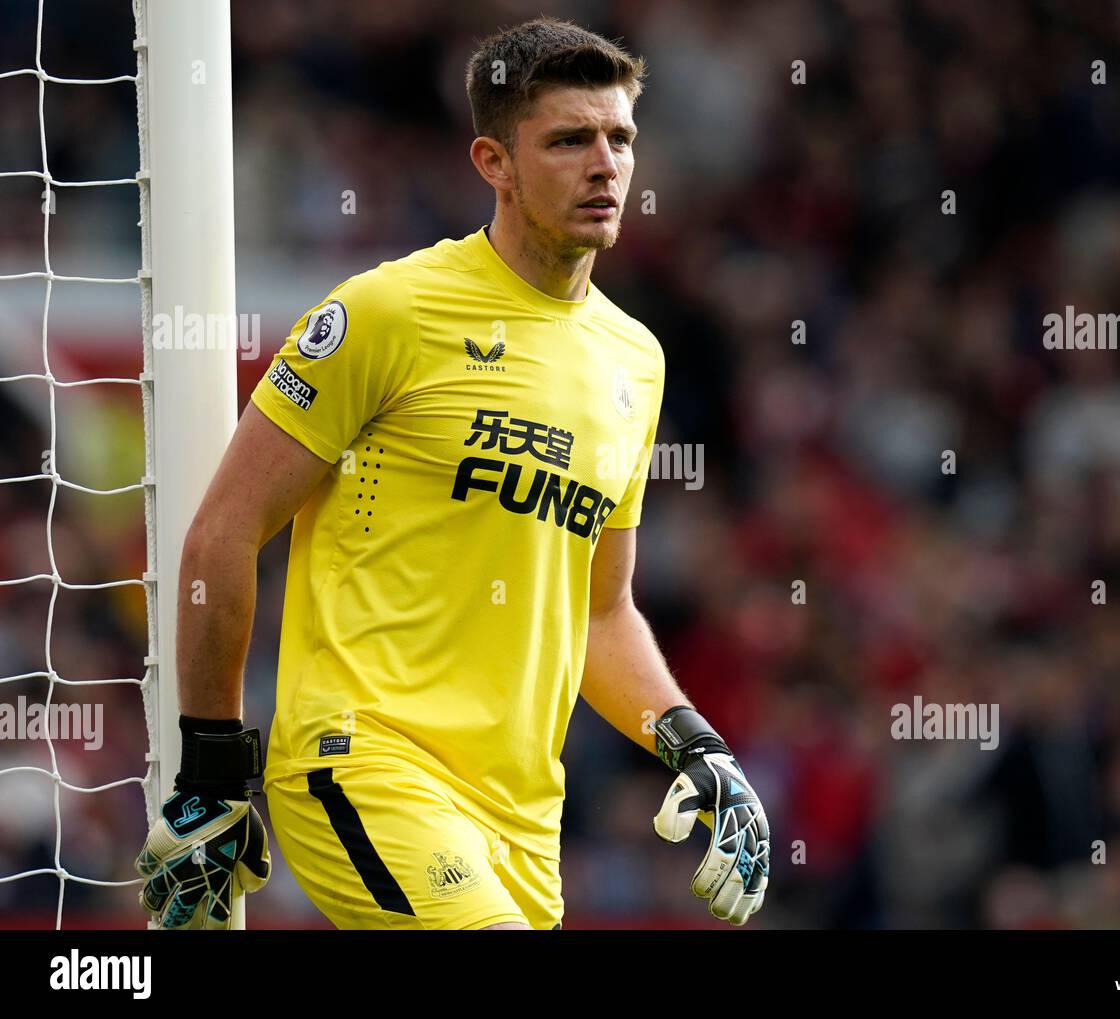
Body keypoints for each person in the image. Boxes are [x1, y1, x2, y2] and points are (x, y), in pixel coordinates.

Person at [134, 16, 769, 931]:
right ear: (494, 163)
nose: (605, 164)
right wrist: (210, 771)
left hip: (518, 820)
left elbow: (600, 609)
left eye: (619, 138)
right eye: (568, 140)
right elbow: (223, 532)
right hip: (363, 759)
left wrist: (699, 747)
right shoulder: (386, 312)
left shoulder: (636, 360)